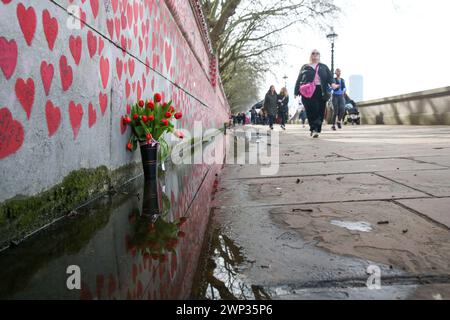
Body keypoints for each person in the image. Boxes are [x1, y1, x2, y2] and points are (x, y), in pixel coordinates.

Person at [294, 49, 337, 138]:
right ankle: (313, 128)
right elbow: (299, 79)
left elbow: (330, 77)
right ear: (310, 55)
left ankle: (316, 128)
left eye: (317, 53)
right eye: (313, 53)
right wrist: (296, 91)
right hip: (307, 91)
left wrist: (332, 84)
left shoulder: (323, 66)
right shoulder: (305, 66)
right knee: (310, 110)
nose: (315, 54)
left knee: (320, 110)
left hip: (320, 90)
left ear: (319, 56)